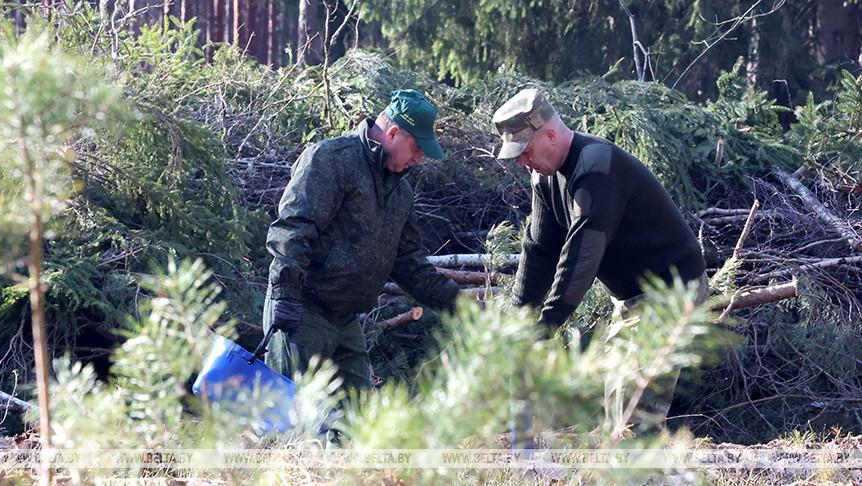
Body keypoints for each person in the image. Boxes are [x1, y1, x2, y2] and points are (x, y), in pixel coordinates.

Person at [492, 88, 709, 426]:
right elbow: (539, 251)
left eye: (526, 151)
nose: (523, 162)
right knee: (615, 405)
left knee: (634, 411)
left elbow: (582, 256)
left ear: (550, 134)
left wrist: (546, 327)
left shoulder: (595, 168)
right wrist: (516, 323)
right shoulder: (544, 178)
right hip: (632, 301)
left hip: (673, 292)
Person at [263, 89, 459, 392]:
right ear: (393, 133)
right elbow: (294, 227)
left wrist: (461, 306)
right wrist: (286, 294)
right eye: (417, 149)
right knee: (291, 415)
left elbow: (410, 263)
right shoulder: (331, 159)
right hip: (302, 312)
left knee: (355, 416)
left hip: (346, 322)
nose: (419, 159)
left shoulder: (400, 192)